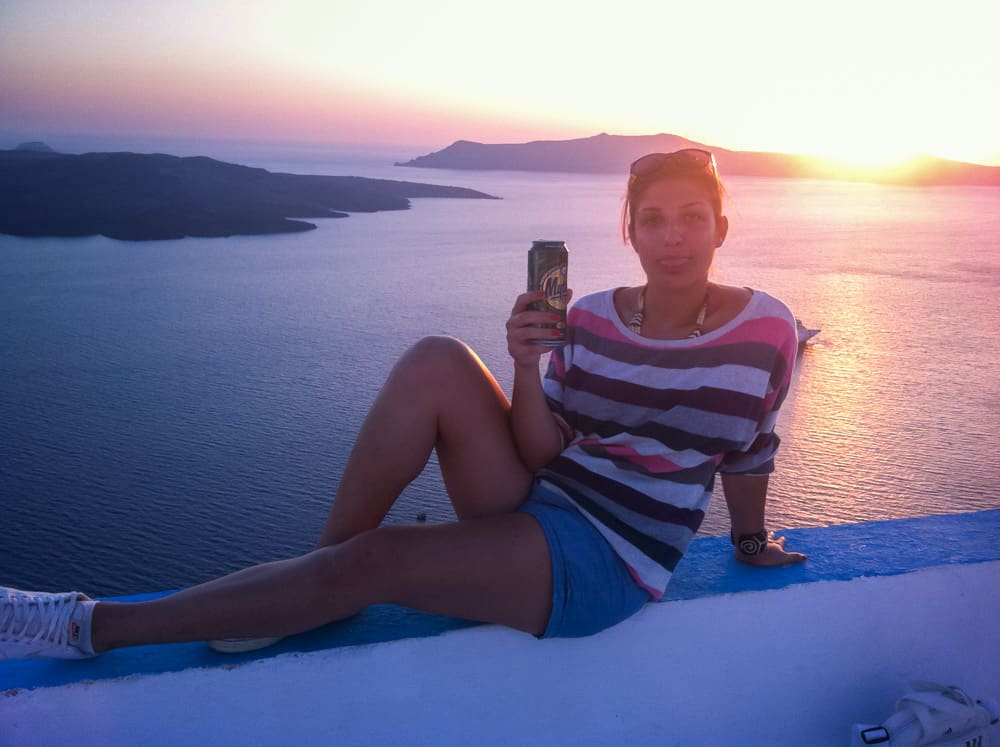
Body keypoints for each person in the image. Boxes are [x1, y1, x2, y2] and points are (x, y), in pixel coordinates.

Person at [0, 148, 806, 661]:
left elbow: (751, 449)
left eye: (691, 220)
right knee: (436, 360)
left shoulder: (766, 329)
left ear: (721, 227)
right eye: (653, 221)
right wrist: (526, 365)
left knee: (379, 560)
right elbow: (536, 451)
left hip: (610, 556)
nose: (673, 238)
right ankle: (314, 582)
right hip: (544, 494)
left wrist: (746, 539)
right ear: (630, 232)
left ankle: (87, 625)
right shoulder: (591, 315)